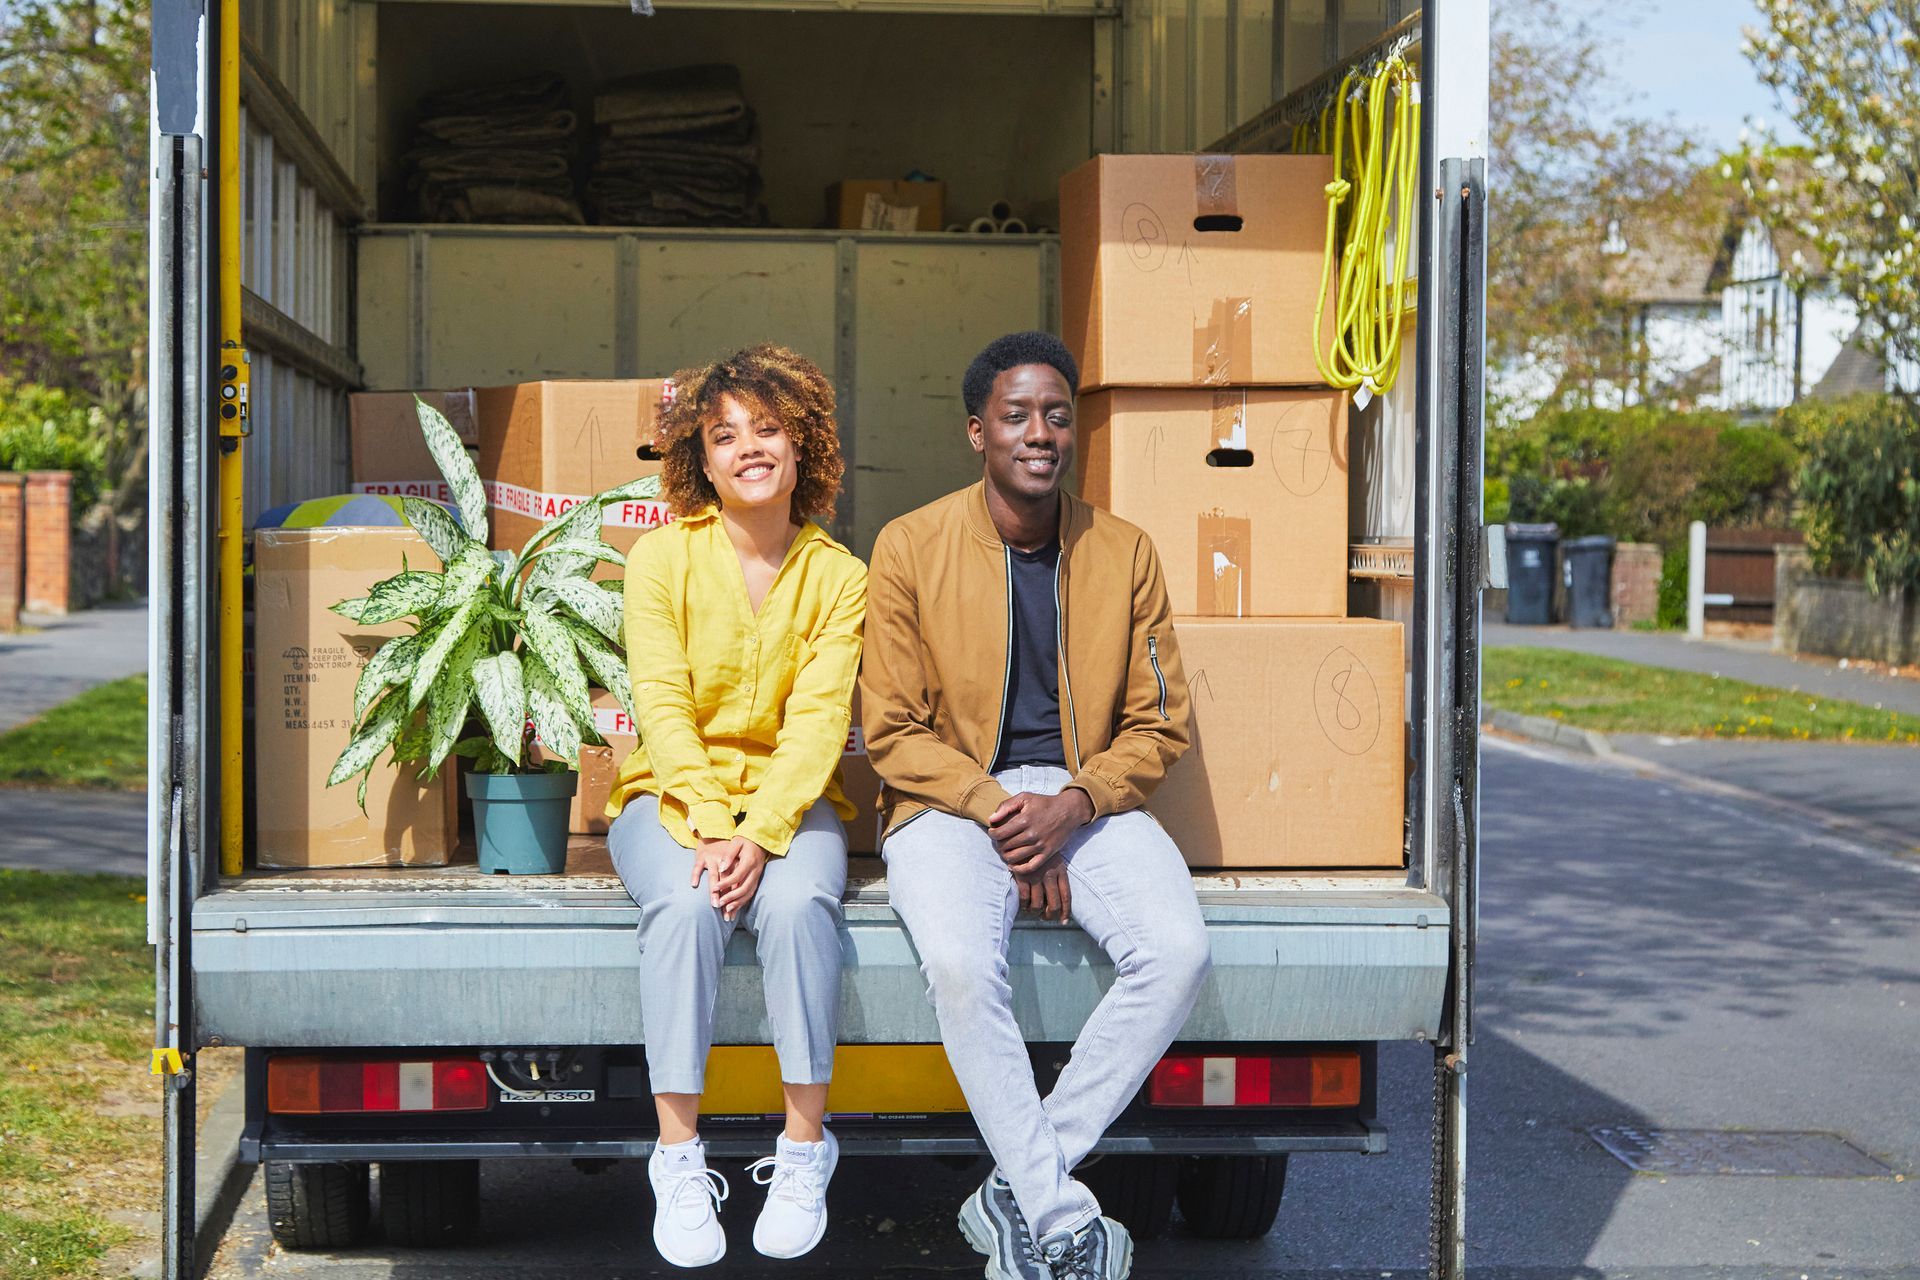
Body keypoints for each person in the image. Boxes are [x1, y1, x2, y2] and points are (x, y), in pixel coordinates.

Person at [860, 331, 1211, 1280]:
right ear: (979, 432)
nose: (1039, 432)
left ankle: (1018, 1186)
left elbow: (1157, 723)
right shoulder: (910, 546)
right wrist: (997, 812)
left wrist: (1075, 803)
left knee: (1177, 950)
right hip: (946, 805)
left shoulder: (1124, 551)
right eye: (1016, 415)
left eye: (1057, 414)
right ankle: (1060, 1217)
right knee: (965, 966)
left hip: (1082, 800)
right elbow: (888, 730)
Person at [606, 344, 865, 1268]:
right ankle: (677, 1159)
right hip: (671, 796)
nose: (748, 448)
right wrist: (714, 826)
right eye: (725, 435)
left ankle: (803, 1150)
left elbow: (820, 723)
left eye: (766, 429)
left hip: (792, 805)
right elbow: (661, 704)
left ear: (802, 445)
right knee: (683, 906)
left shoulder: (840, 576)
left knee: (799, 906)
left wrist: (762, 834)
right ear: (700, 461)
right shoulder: (659, 561)